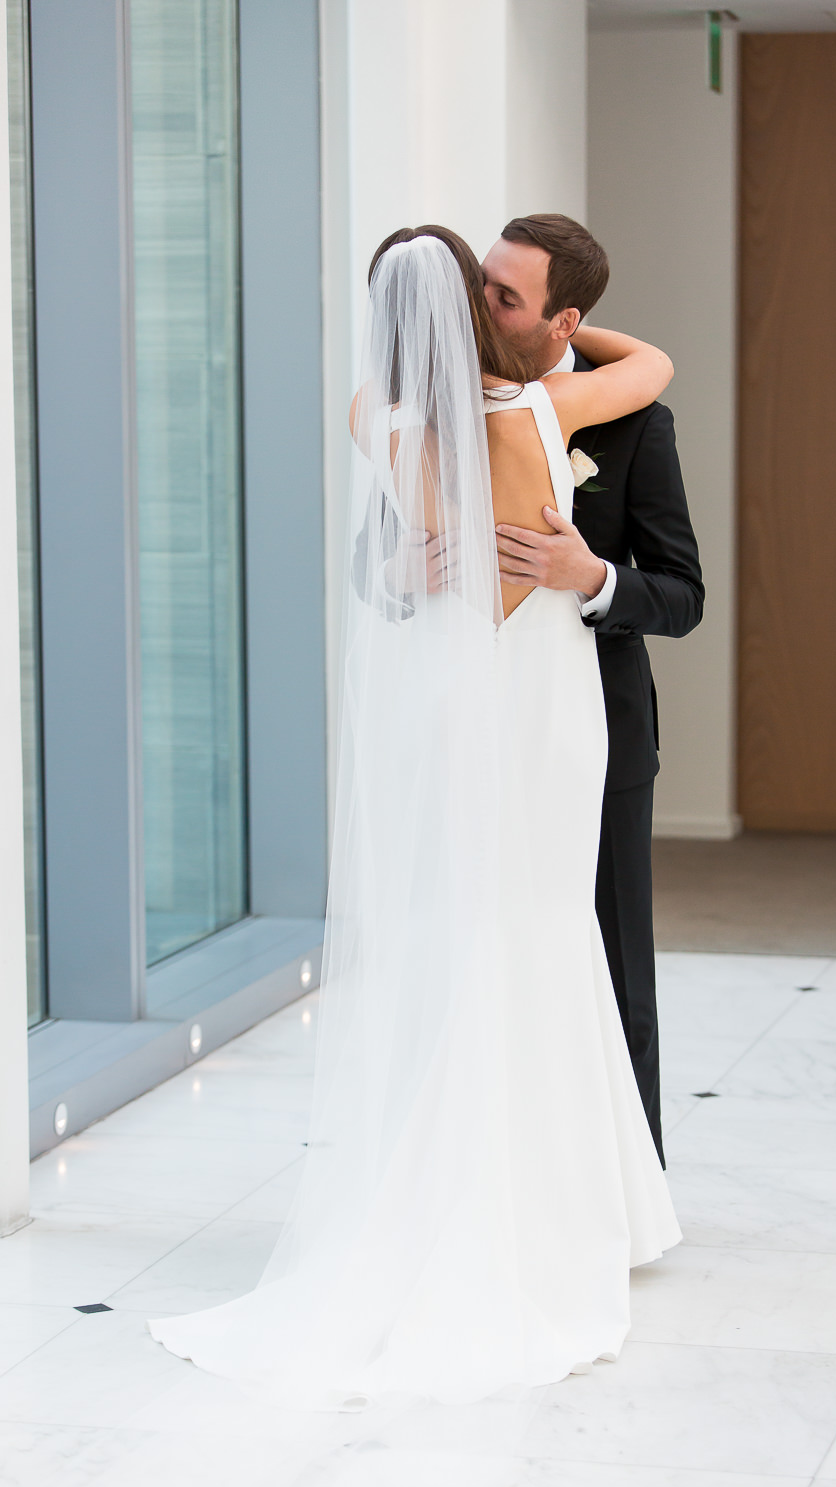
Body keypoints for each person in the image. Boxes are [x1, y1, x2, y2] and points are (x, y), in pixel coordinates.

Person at [145, 228, 681, 1419]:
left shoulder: (374, 422)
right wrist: (564, 335)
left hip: (448, 708)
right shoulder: (545, 414)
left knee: (475, 935)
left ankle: (462, 1180)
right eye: (481, 292)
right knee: (541, 931)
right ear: (471, 315)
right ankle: (553, 1203)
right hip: (541, 712)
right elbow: (653, 364)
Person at [481, 214, 705, 1167]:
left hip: (602, 746)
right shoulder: (450, 404)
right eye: (481, 281)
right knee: (488, 962)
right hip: (479, 736)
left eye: (505, 297)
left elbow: (684, 596)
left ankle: (627, 1186)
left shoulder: (635, 422)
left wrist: (594, 579)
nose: (480, 305)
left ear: (563, 321)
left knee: (614, 971)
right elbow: (379, 560)